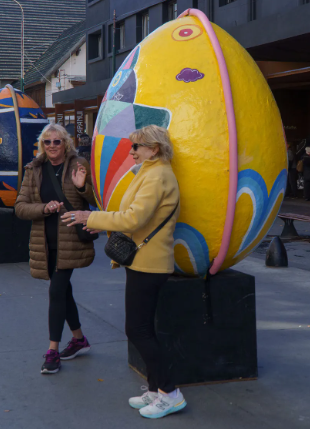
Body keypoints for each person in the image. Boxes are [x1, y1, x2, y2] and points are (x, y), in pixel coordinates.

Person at [62, 125, 186, 419]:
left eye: (136, 146)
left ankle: (170, 393)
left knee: (137, 330)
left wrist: (90, 216)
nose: (131, 152)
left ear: (154, 148)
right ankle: (157, 390)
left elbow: (133, 219)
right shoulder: (150, 172)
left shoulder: (156, 176)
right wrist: (101, 221)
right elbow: (132, 215)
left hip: (149, 263)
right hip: (144, 261)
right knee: (143, 328)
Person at [14, 123, 96, 376]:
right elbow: (20, 207)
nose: (51, 146)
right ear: (42, 145)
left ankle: (52, 351)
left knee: (56, 291)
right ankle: (79, 339)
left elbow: (96, 200)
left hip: (70, 242)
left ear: (65, 143)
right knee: (63, 291)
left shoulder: (78, 164)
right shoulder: (34, 169)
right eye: (47, 142)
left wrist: (82, 187)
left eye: (57, 141)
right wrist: (44, 208)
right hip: (45, 243)